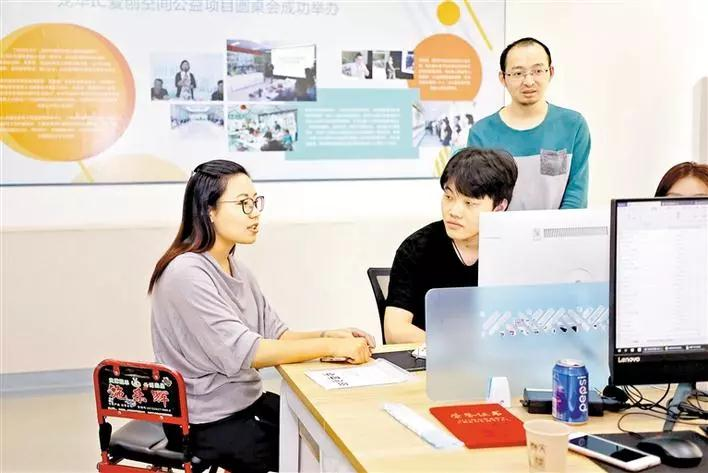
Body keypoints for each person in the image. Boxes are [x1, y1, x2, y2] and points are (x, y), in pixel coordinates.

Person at [149, 160, 373, 472]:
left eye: (256, 202)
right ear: (209, 211)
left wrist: (329, 335)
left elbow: (277, 335)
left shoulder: (237, 269)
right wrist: (331, 347)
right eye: (243, 204)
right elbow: (250, 352)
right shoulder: (186, 273)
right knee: (318, 455)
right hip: (206, 423)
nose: (255, 213)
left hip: (246, 404)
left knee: (330, 431)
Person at [383, 148, 518, 343]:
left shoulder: (514, 250)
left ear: (499, 208)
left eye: (469, 203)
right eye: (449, 197)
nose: (454, 211)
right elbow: (395, 331)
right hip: (430, 357)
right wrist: (455, 348)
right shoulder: (417, 248)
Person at [467, 37, 591, 210]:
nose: (529, 81)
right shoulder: (481, 133)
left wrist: (557, 227)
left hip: (559, 227)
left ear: (551, 72)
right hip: (501, 228)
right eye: (518, 73)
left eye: (538, 71)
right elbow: (477, 199)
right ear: (503, 78)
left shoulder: (573, 126)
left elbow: (576, 195)